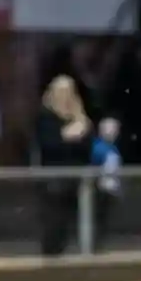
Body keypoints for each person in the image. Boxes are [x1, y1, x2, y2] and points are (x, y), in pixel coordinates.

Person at [34, 74, 96, 257]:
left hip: (79, 179)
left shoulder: (81, 117)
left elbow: (88, 145)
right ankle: (51, 257)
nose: (65, 96)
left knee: (80, 220)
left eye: (68, 92)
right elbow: (49, 144)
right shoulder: (46, 116)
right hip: (54, 180)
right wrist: (68, 136)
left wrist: (74, 134)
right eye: (60, 91)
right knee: (54, 222)